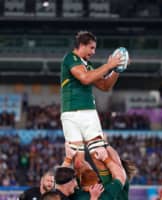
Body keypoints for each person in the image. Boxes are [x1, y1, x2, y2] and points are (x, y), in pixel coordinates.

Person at [60, 30, 124, 171]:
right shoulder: (70, 58)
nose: (94, 52)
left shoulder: (87, 65)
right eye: (92, 47)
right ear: (82, 45)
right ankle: (82, 190)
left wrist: (116, 70)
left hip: (88, 112)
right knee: (78, 161)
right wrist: (108, 65)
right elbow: (85, 78)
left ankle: (108, 188)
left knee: (98, 155)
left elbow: (105, 86)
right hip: (70, 114)